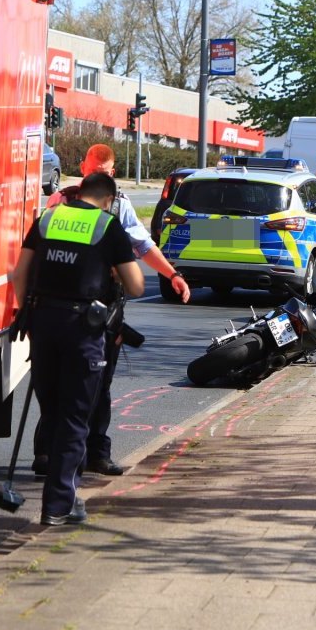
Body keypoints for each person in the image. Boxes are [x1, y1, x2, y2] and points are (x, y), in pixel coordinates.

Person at [34, 143, 191, 477]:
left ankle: (94, 455)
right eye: (93, 170)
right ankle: (49, 455)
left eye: (103, 173)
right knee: (55, 388)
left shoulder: (120, 207)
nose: (97, 177)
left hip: (102, 311)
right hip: (63, 306)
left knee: (99, 388)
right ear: (83, 166)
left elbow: (144, 247)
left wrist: (172, 274)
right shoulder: (58, 201)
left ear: (112, 175)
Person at [11, 171, 145, 525]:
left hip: (43, 325)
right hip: (83, 331)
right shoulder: (107, 226)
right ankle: (58, 506)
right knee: (74, 418)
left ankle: (63, 497)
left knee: (53, 412)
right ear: (108, 199)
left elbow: (19, 273)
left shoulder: (48, 218)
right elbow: (135, 285)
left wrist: (26, 308)